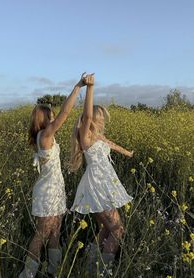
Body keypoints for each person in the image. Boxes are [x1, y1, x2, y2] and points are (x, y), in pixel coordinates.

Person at [19, 73, 87, 278]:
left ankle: (52, 271)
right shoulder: (45, 135)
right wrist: (78, 86)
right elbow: (64, 114)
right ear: (45, 119)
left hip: (55, 189)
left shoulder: (47, 137)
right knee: (42, 233)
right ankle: (28, 274)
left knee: (56, 230)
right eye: (51, 116)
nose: (54, 118)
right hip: (47, 192)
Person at [69, 74, 134, 276]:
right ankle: (103, 271)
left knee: (106, 230)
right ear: (94, 119)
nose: (102, 121)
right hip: (97, 185)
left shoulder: (97, 136)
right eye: (100, 118)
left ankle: (90, 268)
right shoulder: (86, 134)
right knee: (117, 230)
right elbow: (86, 116)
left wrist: (128, 152)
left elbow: (111, 144)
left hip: (105, 185)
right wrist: (90, 88)